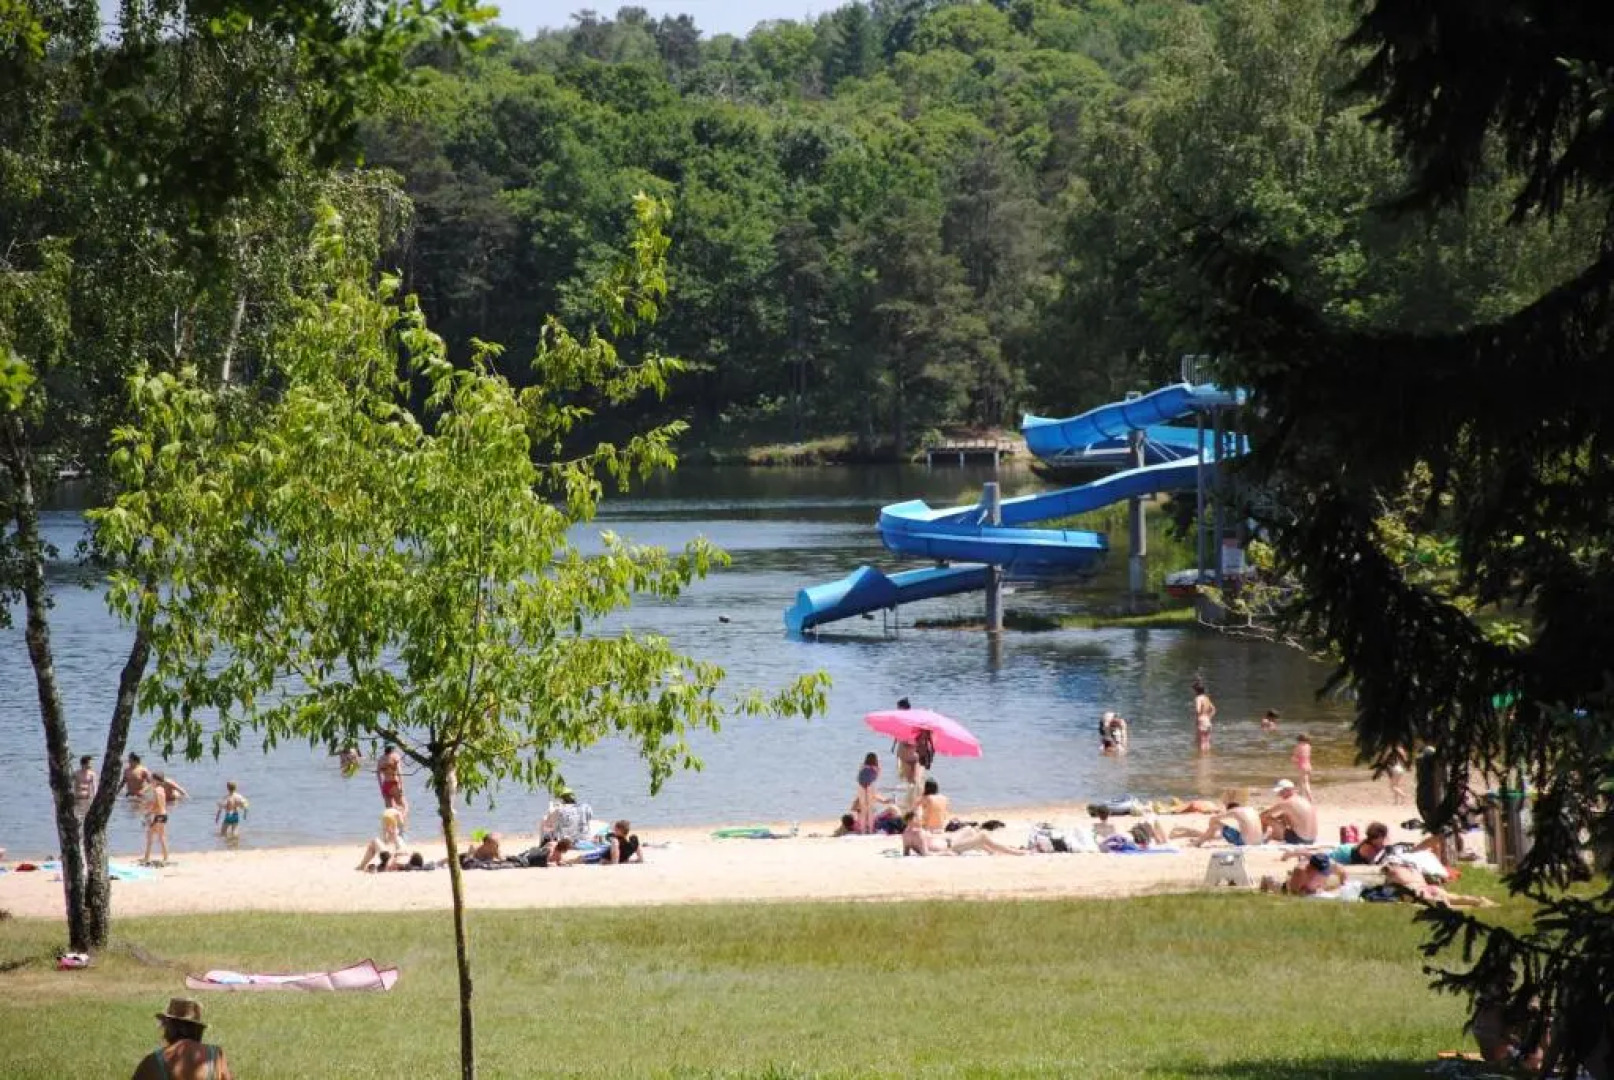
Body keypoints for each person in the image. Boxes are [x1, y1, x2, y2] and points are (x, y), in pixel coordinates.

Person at [132, 997, 233, 1080]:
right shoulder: (215, 1056)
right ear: (198, 1029)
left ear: (171, 1026)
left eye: (165, 1024)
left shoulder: (152, 1062)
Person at [1177, 787, 1264, 847]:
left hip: (1244, 843)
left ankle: (1198, 843)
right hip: (1259, 842)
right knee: (1231, 828)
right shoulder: (1251, 809)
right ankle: (1205, 838)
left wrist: (1210, 831)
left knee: (1215, 823)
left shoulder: (1234, 811)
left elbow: (1213, 819)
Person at [1261, 779, 1318, 844]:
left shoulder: (1287, 803)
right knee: (1284, 816)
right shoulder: (1303, 800)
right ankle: (1267, 836)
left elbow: (1264, 815)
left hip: (1299, 840)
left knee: (1266, 818)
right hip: (1312, 840)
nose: (1279, 795)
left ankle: (1261, 836)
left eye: (1281, 792)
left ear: (1288, 790)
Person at [354, 805, 407, 870]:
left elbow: (402, 852)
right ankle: (361, 866)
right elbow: (401, 824)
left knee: (376, 840)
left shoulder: (398, 838)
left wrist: (392, 856)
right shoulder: (399, 838)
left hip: (393, 860)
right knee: (390, 837)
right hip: (395, 858)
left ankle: (361, 866)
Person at [854, 752, 888, 835]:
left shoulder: (862, 766)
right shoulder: (877, 768)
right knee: (870, 809)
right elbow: (875, 778)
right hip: (870, 786)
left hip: (861, 786)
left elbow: (858, 778)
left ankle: (863, 831)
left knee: (863, 809)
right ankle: (871, 830)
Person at [141, 777, 171, 866]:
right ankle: (148, 857)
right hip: (163, 814)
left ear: (156, 780)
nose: (151, 781)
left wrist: (149, 812)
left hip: (158, 815)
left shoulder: (156, 790)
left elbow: (157, 804)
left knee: (158, 837)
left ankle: (164, 858)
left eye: (152, 779)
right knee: (153, 835)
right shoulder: (162, 789)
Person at [376, 744, 405, 812]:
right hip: (394, 784)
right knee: (402, 807)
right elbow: (399, 772)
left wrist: (381, 788)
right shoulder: (395, 756)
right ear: (393, 748)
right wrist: (401, 787)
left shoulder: (381, 759)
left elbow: (378, 774)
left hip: (385, 785)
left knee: (390, 810)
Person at [1192, 679, 1216, 753]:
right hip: (1208, 721)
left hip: (1201, 721)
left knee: (1201, 742)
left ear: (1196, 691)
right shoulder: (1206, 698)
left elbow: (1198, 710)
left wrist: (1197, 720)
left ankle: (1202, 758)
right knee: (1207, 742)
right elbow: (1213, 709)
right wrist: (1209, 717)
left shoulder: (1198, 698)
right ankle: (1207, 757)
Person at [1292, 733, 1314, 800]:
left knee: (1303, 783)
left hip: (1302, 766)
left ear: (1299, 740)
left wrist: (1294, 761)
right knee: (1304, 782)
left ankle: (1309, 797)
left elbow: (1295, 757)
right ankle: (1301, 796)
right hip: (1309, 765)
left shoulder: (1298, 747)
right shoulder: (1308, 746)